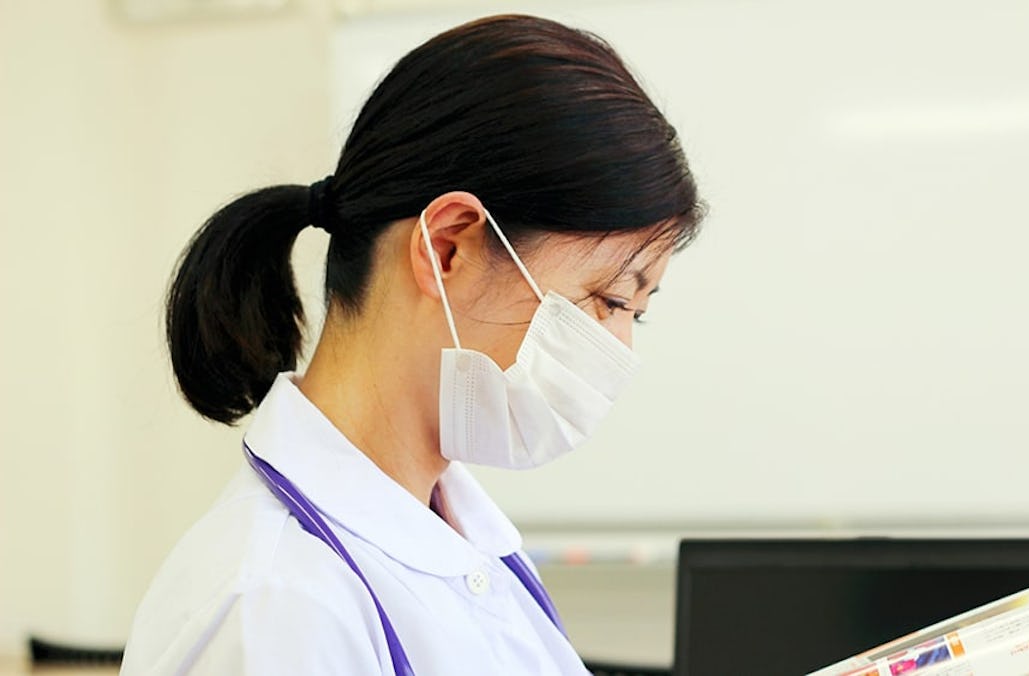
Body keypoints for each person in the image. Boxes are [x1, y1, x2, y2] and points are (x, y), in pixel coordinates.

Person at [120, 13, 704, 676]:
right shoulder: (272, 607)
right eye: (611, 299)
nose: (619, 348)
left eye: (636, 314)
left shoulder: (470, 542)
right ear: (447, 247)